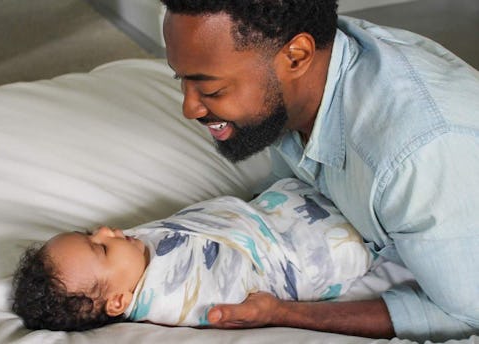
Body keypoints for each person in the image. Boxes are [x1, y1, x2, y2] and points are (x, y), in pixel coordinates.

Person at [159, 0, 479, 342]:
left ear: (296, 57)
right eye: (182, 79)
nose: (189, 107)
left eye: (211, 89)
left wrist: (281, 313)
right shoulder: (298, 89)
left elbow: (465, 316)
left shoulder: (417, 156)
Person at [11, 178, 372, 331]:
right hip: (304, 250)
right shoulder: (172, 298)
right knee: (351, 233)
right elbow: (236, 284)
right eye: (100, 246)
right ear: (119, 302)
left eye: (90, 233)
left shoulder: (132, 258)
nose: (106, 230)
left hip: (278, 209)